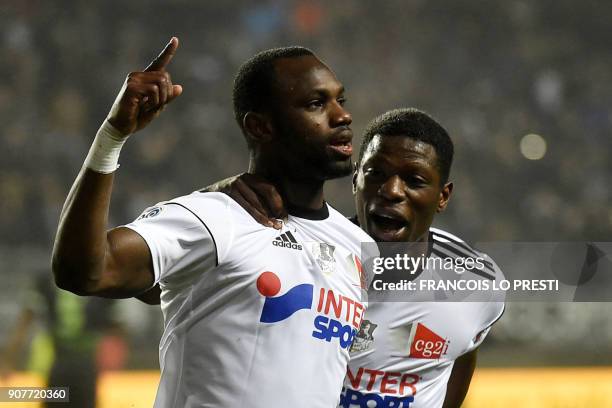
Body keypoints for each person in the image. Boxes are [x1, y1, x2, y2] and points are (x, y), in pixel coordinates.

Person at [51, 37, 373, 408]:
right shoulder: (215, 216)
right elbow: (84, 273)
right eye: (316, 104)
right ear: (260, 127)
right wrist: (111, 138)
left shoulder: (357, 246)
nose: (342, 116)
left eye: (340, 100)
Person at [217, 108, 505, 407]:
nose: (392, 191)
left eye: (414, 180)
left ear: (442, 196)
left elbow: (462, 347)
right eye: (376, 174)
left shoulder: (474, 280)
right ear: (356, 179)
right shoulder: (296, 256)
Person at [0, 273, 119, 408]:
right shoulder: (102, 282)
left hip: (69, 366)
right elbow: (117, 328)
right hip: (76, 366)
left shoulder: (47, 281)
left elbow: (24, 322)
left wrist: (8, 359)